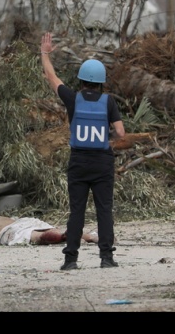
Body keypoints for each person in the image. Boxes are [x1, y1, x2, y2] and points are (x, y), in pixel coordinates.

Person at [40, 32, 126, 270]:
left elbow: (51, 76)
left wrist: (45, 53)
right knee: (104, 211)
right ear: (101, 82)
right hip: (102, 163)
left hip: (78, 163)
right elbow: (120, 133)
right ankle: (107, 258)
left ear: (81, 80)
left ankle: (70, 260)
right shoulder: (108, 102)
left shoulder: (73, 98)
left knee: (76, 211)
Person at [0, 216, 99, 246]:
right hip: (23, 220)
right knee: (47, 228)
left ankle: (64, 237)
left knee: (37, 236)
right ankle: (93, 236)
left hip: (9, 231)